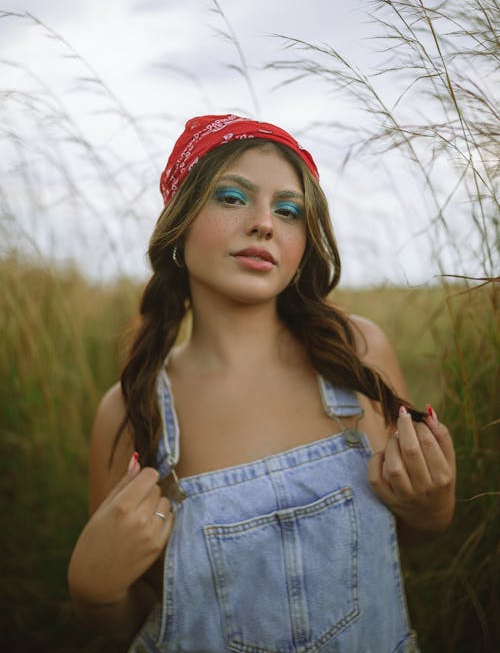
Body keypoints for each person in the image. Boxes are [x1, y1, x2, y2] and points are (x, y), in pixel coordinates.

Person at [68, 114, 456, 653]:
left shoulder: (357, 357)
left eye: (289, 210)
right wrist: (94, 591)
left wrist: (432, 509)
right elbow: (130, 620)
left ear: (303, 243)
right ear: (179, 224)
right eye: (231, 198)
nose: (264, 224)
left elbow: (399, 548)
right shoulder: (132, 411)